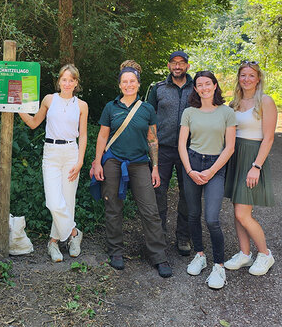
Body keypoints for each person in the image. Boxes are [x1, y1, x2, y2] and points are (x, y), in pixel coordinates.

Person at [90, 60, 172, 278]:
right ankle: (115, 251)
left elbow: (153, 140)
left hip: (138, 163)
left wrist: (155, 167)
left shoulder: (147, 109)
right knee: (113, 207)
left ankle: (159, 256)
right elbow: (102, 136)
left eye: (132, 81)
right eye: (125, 82)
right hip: (113, 161)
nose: (129, 85)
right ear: (119, 85)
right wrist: (97, 161)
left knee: (150, 209)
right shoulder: (110, 107)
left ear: (138, 83)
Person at [18, 64, 88, 262]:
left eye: (71, 80)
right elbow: (33, 123)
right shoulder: (49, 100)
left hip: (71, 152)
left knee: (68, 200)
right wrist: (17, 108)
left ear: (76, 83)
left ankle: (54, 242)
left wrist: (81, 160)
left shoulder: (81, 105)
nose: (67, 83)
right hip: (51, 153)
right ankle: (74, 232)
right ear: (59, 81)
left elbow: (83, 135)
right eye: (64, 79)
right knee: (54, 202)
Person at [178, 70, 236, 289]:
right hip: (191, 163)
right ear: (195, 88)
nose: (203, 88)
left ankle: (219, 266)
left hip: (216, 166)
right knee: (193, 214)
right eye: (199, 85)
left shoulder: (226, 112)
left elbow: (229, 147)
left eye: (207, 84)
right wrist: (190, 170)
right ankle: (200, 255)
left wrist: (211, 171)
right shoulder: (189, 112)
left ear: (214, 86)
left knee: (212, 219)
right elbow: (182, 144)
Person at [224, 61, 277, 276]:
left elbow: (269, 137)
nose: (246, 79)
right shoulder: (234, 103)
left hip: (253, 158)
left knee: (243, 213)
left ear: (258, 79)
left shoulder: (265, 101)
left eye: (251, 75)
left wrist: (256, 166)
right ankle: (244, 254)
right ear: (239, 78)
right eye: (243, 75)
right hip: (235, 157)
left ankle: (265, 254)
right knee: (237, 213)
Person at [146, 50, 193, 255]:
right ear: (168, 66)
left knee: (187, 195)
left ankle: (183, 237)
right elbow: (148, 118)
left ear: (187, 66)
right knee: (158, 193)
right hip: (162, 149)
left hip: (190, 150)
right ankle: (159, 236)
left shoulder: (197, 87)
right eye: (173, 62)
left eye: (181, 63)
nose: (177, 66)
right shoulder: (158, 88)